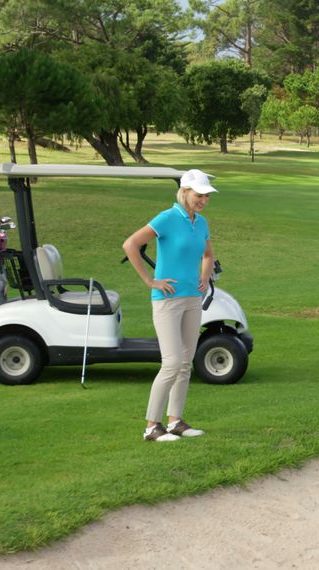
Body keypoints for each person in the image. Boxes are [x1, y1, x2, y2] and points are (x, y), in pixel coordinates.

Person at [123, 169, 217, 442]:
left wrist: (204, 277)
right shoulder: (167, 218)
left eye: (207, 196)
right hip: (167, 300)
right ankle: (152, 427)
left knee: (186, 362)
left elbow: (208, 255)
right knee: (172, 362)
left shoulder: (201, 223)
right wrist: (150, 280)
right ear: (185, 192)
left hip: (192, 298)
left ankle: (175, 421)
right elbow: (130, 244)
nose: (203, 200)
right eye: (200, 195)